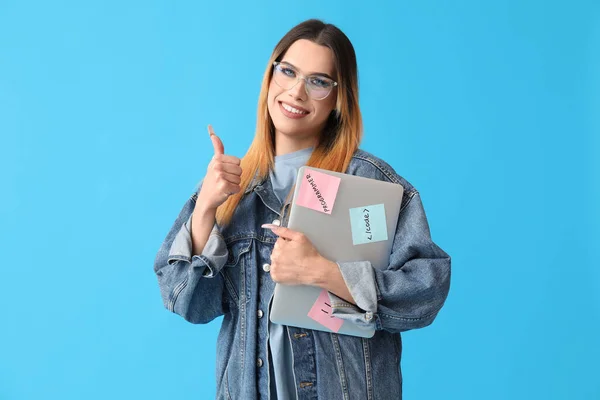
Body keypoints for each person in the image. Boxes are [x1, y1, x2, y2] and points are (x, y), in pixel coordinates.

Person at [153, 18, 451, 400]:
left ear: (339, 98)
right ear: (270, 76)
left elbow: (426, 291)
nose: (296, 92)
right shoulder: (229, 187)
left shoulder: (373, 187)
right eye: (288, 71)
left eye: (318, 81)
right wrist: (206, 211)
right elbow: (187, 303)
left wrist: (324, 272)